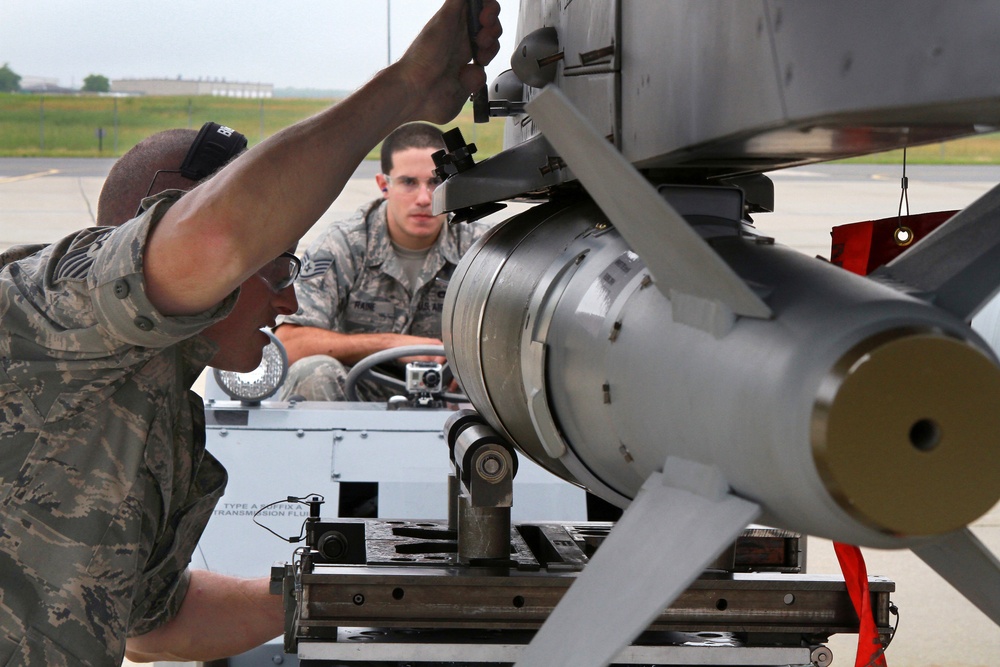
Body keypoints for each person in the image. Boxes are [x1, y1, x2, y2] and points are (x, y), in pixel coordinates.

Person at [0, 1, 502, 664]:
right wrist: (407, 85)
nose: (290, 296)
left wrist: (357, 593)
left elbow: (157, 624)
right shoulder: (57, 301)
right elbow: (216, 235)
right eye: (275, 266)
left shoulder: (163, 409)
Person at [274, 122, 490, 401]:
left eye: (437, 181)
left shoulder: (480, 251)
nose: (425, 198)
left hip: (455, 404)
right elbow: (289, 345)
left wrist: (471, 367)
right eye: (409, 182)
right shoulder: (346, 244)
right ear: (383, 185)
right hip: (356, 402)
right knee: (313, 371)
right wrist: (392, 345)